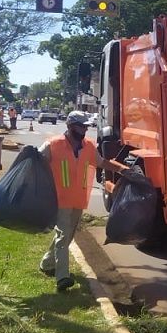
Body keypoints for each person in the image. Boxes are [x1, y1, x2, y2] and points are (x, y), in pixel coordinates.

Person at [39, 112, 99, 292]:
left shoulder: (88, 146)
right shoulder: (53, 145)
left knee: (66, 235)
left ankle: (47, 263)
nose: (85, 129)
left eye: (86, 126)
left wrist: (123, 170)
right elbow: (36, 161)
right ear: (71, 126)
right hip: (59, 200)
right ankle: (62, 278)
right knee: (63, 237)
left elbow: (101, 162)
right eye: (82, 126)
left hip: (78, 200)